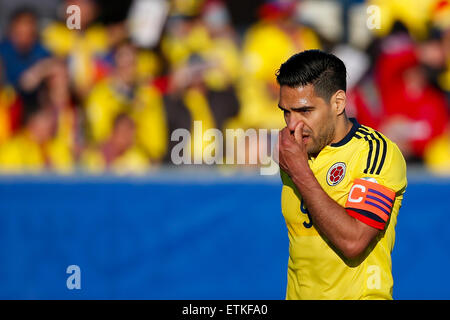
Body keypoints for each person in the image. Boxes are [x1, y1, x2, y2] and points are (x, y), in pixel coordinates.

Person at [276, 50, 407, 300]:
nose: (292, 125)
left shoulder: (375, 153)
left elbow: (353, 242)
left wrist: (300, 171)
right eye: (286, 112)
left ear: (338, 103)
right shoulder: (295, 151)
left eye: (305, 111)